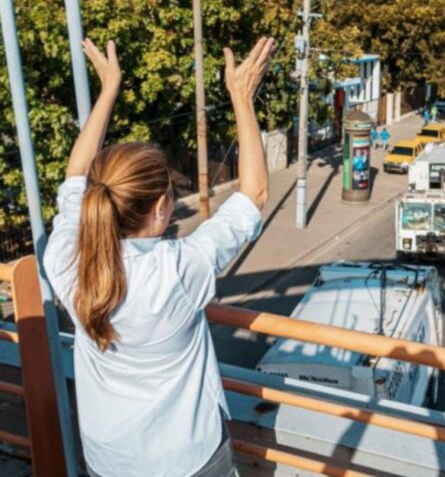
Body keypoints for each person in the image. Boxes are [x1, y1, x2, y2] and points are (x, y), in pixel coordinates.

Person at [43, 37, 275, 477]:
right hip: (186, 459)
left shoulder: (67, 259)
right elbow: (255, 195)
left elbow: (75, 177)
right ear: (161, 208)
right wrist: (242, 98)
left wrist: (108, 89)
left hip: (107, 457)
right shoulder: (178, 270)